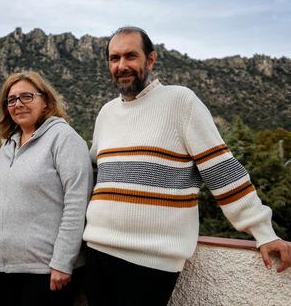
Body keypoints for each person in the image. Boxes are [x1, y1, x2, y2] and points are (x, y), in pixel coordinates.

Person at [83, 26, 291, 306]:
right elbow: (95, 174)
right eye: (114, 58)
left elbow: (221, 170)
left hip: (151, 260)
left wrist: (263, 232)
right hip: (97, 250)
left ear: (151, 59)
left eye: (130, 56)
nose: (122, 65)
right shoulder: (106, 113)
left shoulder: (181, 102)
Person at [0, 71, 93, 305]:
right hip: (0, 270)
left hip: (46, 270)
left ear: (46, 101)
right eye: (11, 100)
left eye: (27, 96)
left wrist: (63, 262)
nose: (18, 104)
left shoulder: (64, 138)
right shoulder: (7, 145)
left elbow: (77, 204)